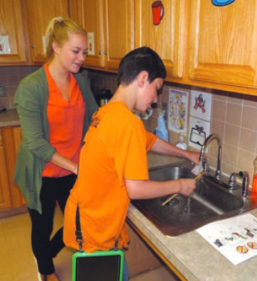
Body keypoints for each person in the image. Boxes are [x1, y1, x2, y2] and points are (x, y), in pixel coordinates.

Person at [63, 46, 200, 281]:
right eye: (156, 89)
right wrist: (179, 185)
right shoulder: (128, 124)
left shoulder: (107, 113)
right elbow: (136, 188)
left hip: (85, 219)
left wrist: (187, 154)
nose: (156, 99)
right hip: (97, 230)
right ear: (143, 78)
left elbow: (150, 140)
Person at [14, 17, 98, 281]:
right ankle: (46, 270)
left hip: (72, 169)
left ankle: (45, 252)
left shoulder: (80, 82)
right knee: (42, 225)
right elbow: (34, 142)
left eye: (84, 51)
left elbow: (95, 118)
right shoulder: (32, 87)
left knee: (79, 222)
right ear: (56, 47)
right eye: (76, 51)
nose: (81, 57)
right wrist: (76, 166)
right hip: (42, 172)